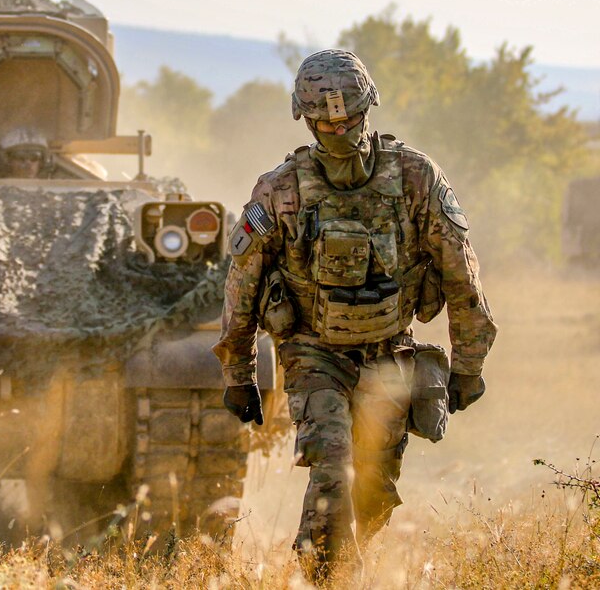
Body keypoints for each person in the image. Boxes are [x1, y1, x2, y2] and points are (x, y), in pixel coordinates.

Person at [212, 49, 497, 582]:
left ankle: (342, 564)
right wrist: (237, 373)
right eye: (326, 123)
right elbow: (243, 283)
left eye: (350, 119)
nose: (340, 130)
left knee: (374, 489)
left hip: (389, 354)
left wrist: (469, 366)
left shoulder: (415, 178)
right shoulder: (281, 189)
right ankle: (325, 576)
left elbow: (461, 275)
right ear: (307, 120)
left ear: (369, 110)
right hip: (314, 353)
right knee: (333, 467)